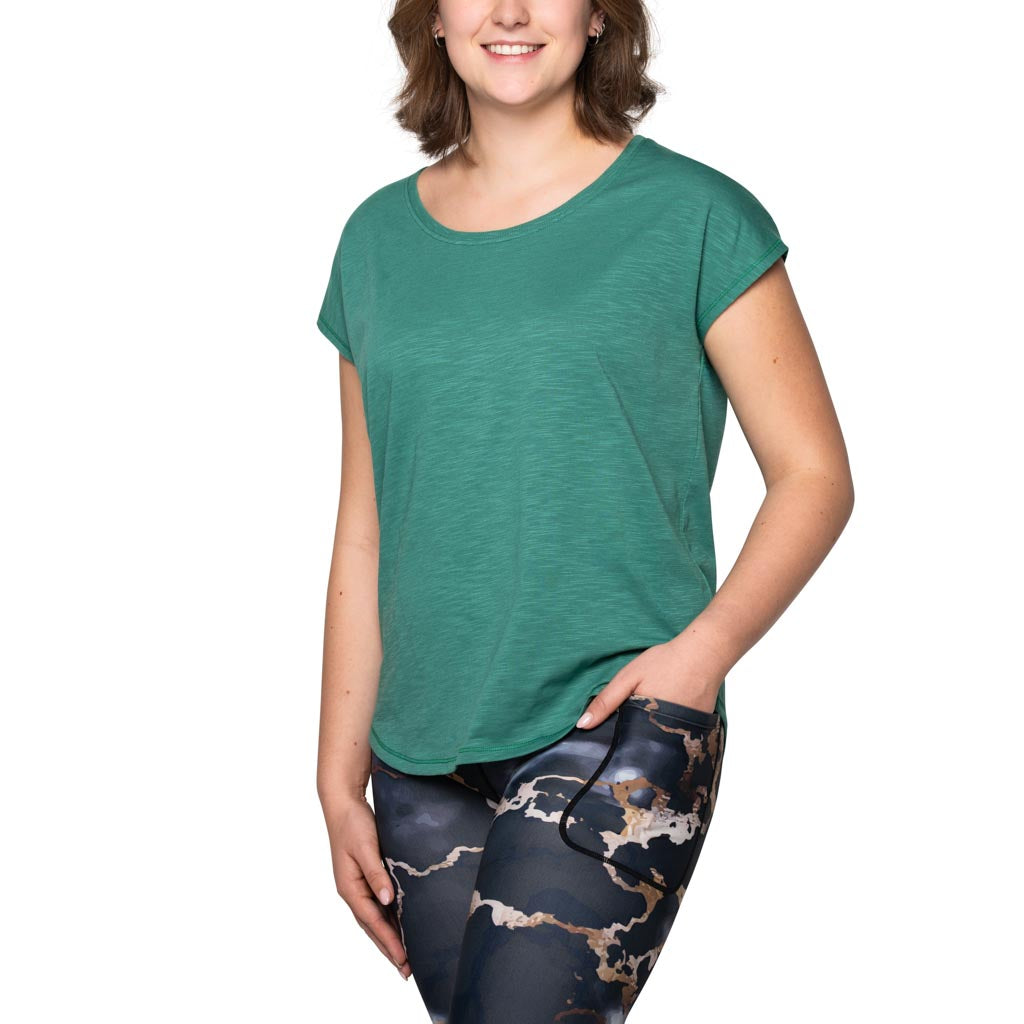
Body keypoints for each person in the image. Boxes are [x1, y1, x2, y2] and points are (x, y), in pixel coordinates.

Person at [314, 2, 854, 1021]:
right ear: (434, 19)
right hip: (419, 750)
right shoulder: (375, 240)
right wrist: (337, 777)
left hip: (614, 729)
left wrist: (699, 659)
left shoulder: (695, 215)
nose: (511, 12)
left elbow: (814, 473)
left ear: (600, 14)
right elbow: (365, 526)